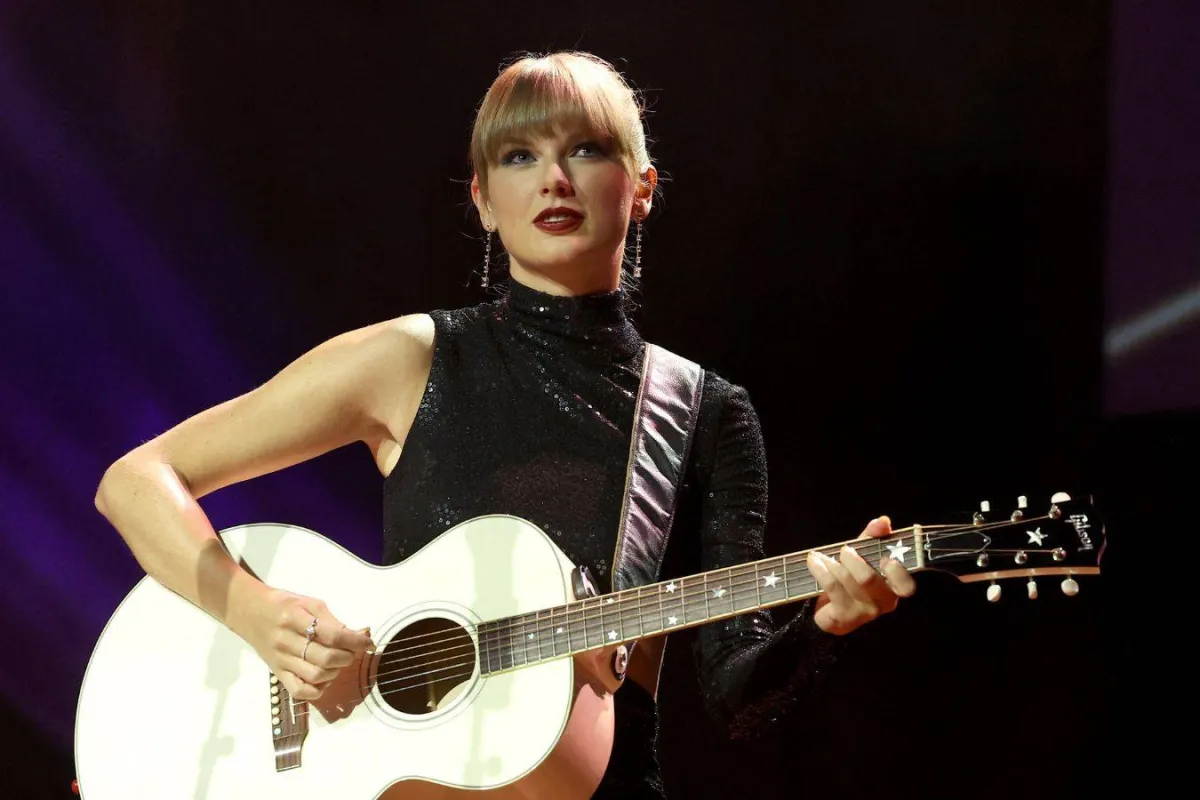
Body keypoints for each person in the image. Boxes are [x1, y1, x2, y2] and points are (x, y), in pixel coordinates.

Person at [94, 50, 915, 798]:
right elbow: (135, 481)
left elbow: (734, 694)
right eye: (520, 156)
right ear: (484, 201)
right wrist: (257, 614)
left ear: (642, 187)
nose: (553, 177)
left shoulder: (704, 412)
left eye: (586, 149)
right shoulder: (411, 359)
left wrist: (823, 623)